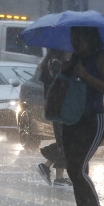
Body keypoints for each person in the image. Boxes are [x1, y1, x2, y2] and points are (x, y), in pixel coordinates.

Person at [62, 27, 104, 206]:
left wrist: (85, 75)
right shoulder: (75, 58)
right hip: (71, 119)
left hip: (93, 119)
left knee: (77, 169)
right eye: (72, 37)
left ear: (90, 38)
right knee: (75, 170)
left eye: (79, 37)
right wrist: (63, 70)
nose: (75, 42)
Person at [36, 49, 73, 188]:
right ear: (60, 51)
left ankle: (55, 174)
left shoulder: (49, 63)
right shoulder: (56, 64)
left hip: (56, 108)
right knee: (65, 142)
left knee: (63, 142)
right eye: (68, 50)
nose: (70, 53)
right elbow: (61, 85)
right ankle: (53, 173)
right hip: (60, 109)